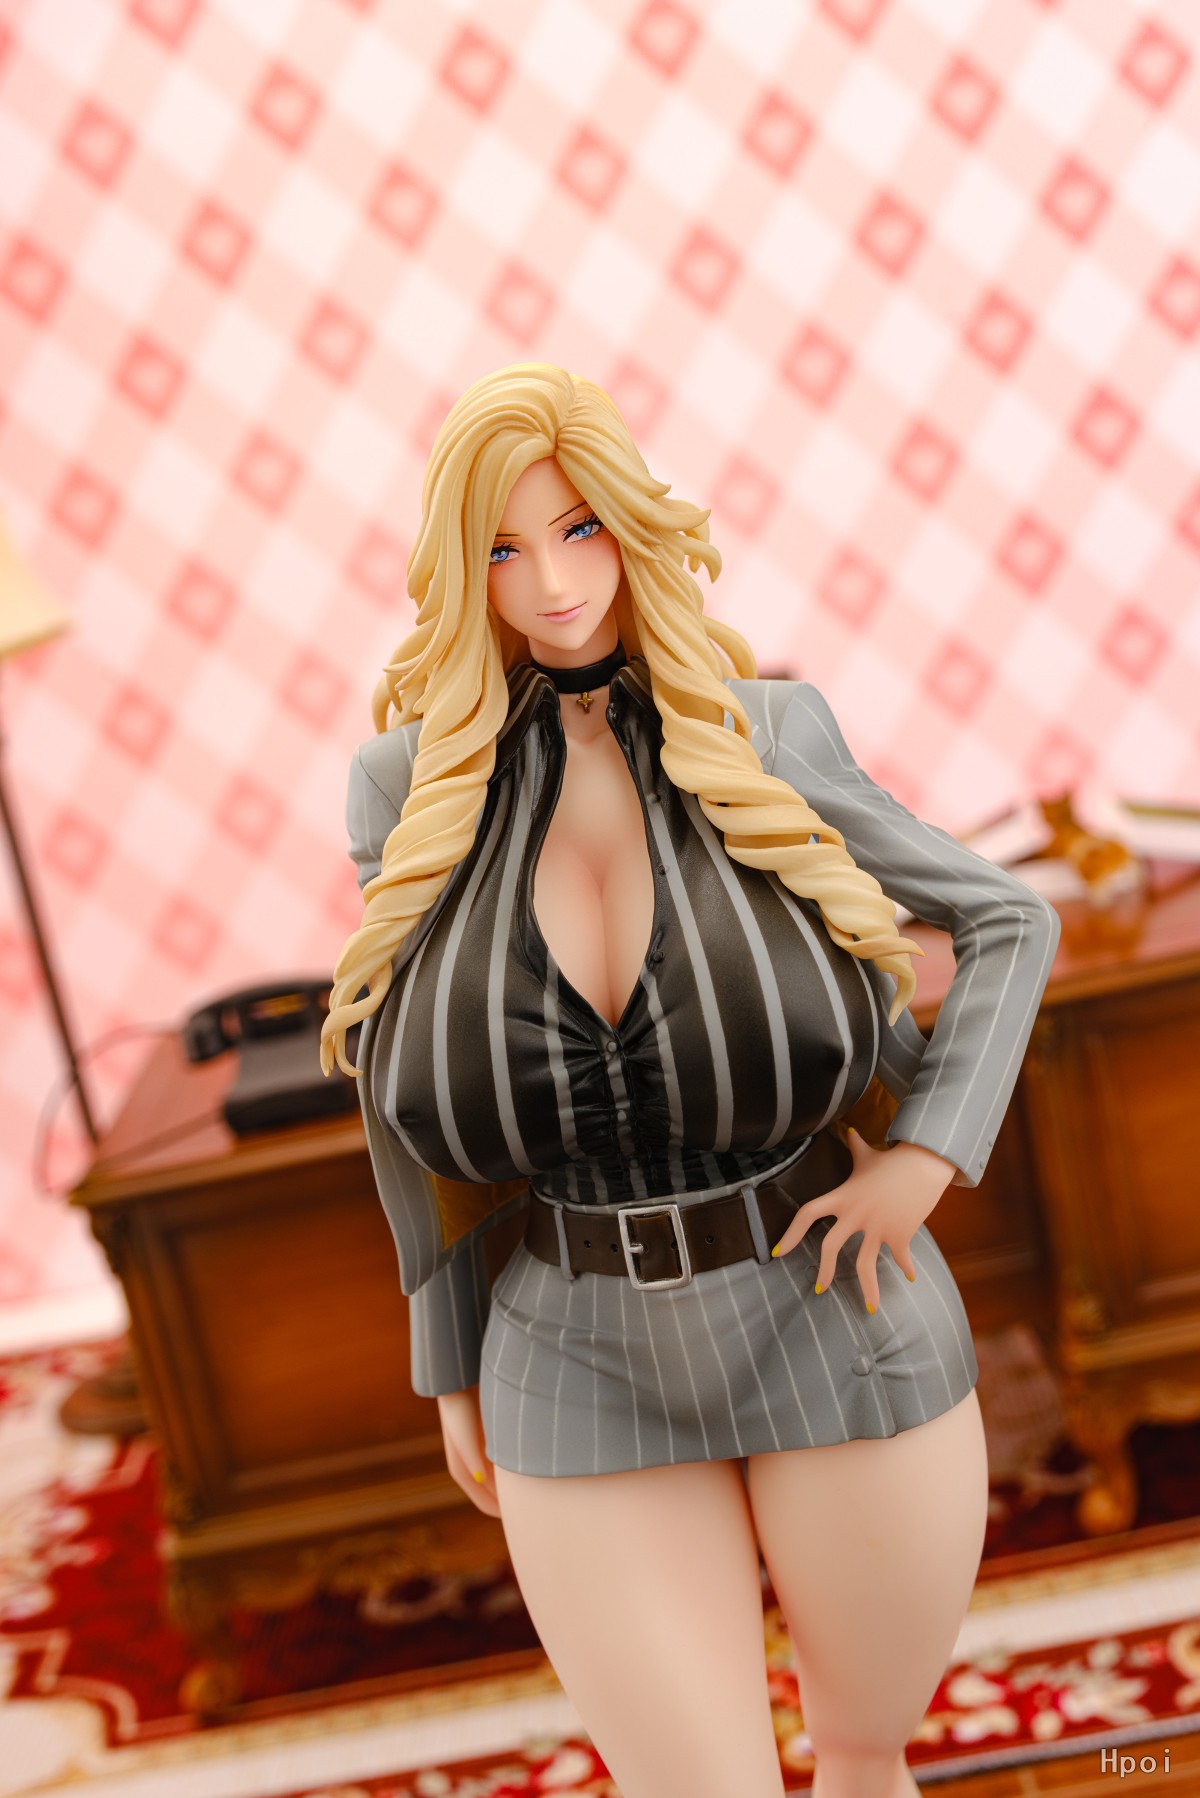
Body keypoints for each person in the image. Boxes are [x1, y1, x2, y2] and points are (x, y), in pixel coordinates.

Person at [321, 363, 1060, 1798]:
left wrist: (926, 1157)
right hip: (570, 1341)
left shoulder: (764, 731)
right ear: (460, 569)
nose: (551, 584)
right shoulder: (408, 786)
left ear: (631, 525)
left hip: (831, 1305)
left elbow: (1008, 917)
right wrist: (448, 1362)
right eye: (504, 548)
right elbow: (391, 1080)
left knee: (863, 1760)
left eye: (580, 529)